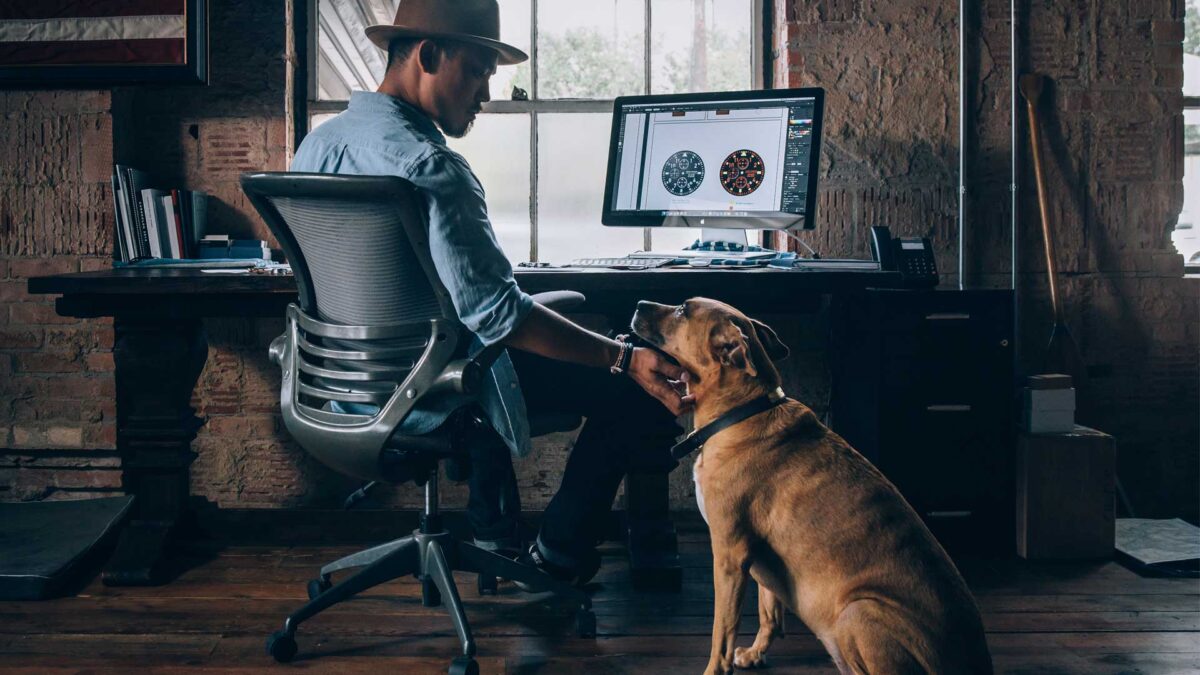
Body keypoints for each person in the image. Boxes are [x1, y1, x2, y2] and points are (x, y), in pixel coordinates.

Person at [291, 0, 691, 584]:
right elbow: (500, 314)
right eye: (477, 70)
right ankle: (558, 555)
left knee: (542, 344)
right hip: (430, 389)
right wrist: (625, 357)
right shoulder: (433, 167)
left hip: (342, 385)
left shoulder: (314, 150)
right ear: (428, 55)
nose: (485, 94)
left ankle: (492, 534)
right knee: (635, 385)